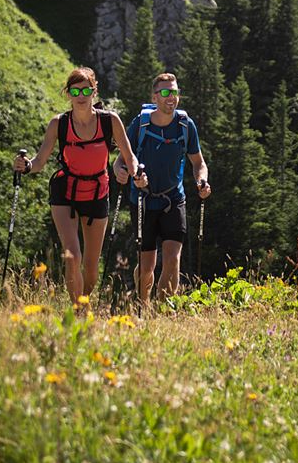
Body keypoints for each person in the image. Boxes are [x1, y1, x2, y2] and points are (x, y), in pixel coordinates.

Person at [13, 66, 138, 304]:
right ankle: (77, 313)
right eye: (75, 90)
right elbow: (39, 161)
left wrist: (135, 173)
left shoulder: (110, 121)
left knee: (91, 268)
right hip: (65, 192)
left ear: (94, 92)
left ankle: (83, 302)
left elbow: (129, 156)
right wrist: (26, 166)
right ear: (68, 94)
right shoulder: (58, 124)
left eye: (86, 90)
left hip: (97, 193)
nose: (81, 95)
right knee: (72, 257)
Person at [113, 72, 210, 304]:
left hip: (174, 199)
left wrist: (201, 182)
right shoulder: (140, 124)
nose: (171, 97)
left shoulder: (186, 126)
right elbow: (120, 160)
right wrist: (120, 172)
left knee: (172, 259)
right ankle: (143, 306)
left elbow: (198, 163)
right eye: (165, 92)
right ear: (154, 97)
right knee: (147, 266)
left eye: (174, 92)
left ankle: (164, 310)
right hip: (143, 200)